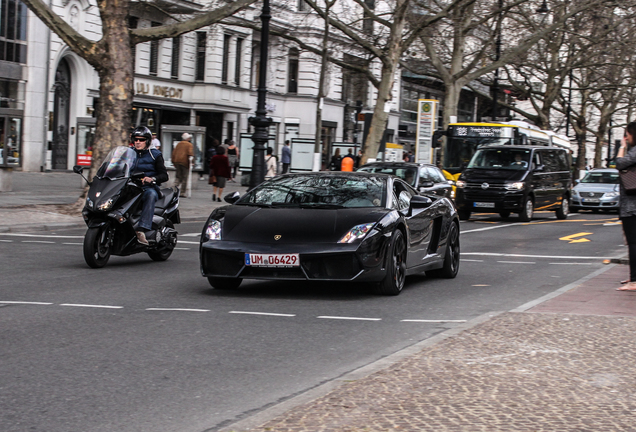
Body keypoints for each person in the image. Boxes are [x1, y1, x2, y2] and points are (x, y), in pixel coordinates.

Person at [130, 126, 168, 245]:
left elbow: (164, 175)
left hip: (147, 187)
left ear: (147, 141)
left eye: (141, 140)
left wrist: (152, 179)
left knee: (150, 195)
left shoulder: (155, 154)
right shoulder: (129, 153)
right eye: (136, 139)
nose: (138, 142)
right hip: (130, 186)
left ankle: (142, 229)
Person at [616, 122, 636, 291]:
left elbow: (620, 163)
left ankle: (635, 281)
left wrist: (621, 147)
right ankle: (633, 277)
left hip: (632, 205)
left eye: (627, 134)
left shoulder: (635, 152)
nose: (626, 138)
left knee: (633, 242)